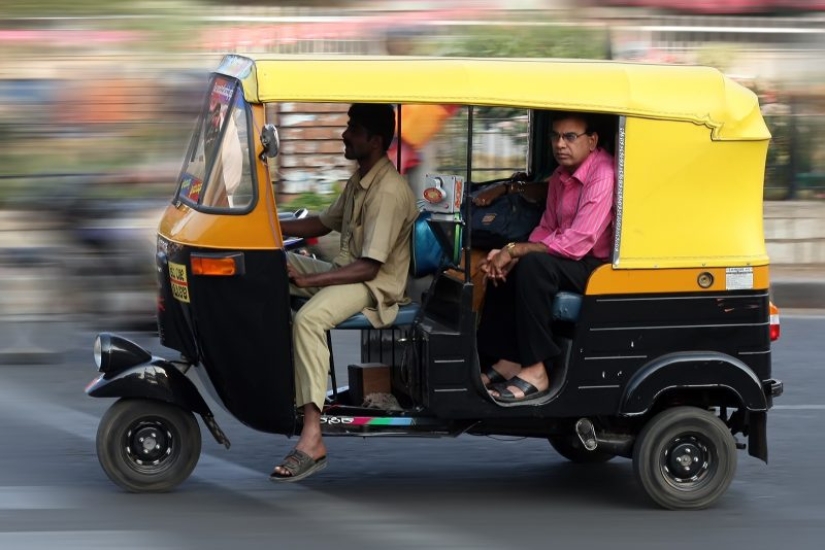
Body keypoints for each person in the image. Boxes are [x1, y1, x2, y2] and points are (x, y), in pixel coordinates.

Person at [270, 103, 418, 481]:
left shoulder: (387, 191)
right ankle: (289, 385)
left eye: (353, 129)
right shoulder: (360, 179)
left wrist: (309, 282)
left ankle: (312, 437)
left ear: (375, 140)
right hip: (347, 271)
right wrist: (262, 223)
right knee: (266, 270)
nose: (344, 134)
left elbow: (370, 267)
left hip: (373, 286)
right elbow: (321, 222)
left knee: (308, 320)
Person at [476, 112, 615, 404]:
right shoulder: (560, 176)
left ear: (592, 141)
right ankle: (508, 360)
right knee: (507, 266)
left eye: (570, 137)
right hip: (570, 259)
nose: (560, 144)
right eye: (555, 136)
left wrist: (517, 251)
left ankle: (536, 370)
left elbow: (579, 242)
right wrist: (509, 253)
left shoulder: (602, 174)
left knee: (534, 265)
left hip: (596, 267)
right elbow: (547, 228)